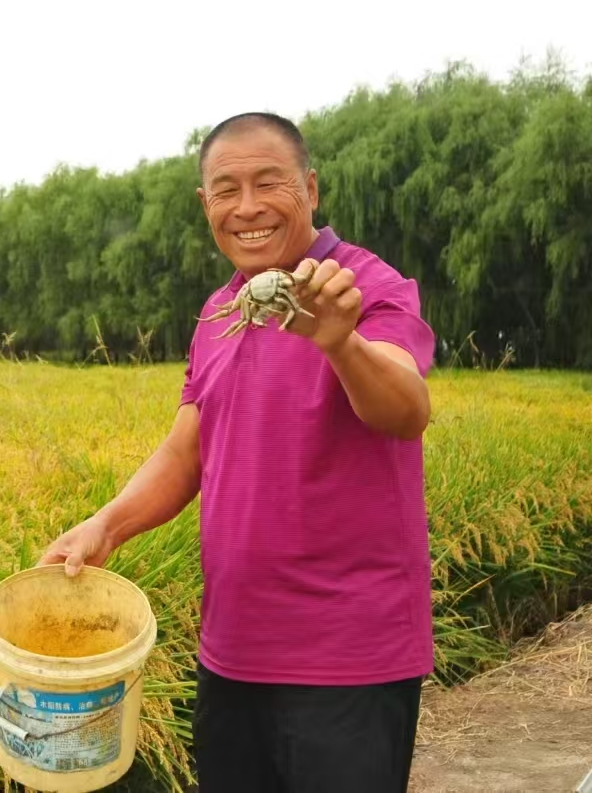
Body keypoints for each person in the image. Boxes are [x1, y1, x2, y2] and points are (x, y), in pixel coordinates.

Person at [38, 112, 436, 792]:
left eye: (268, 183)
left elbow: (404, 411)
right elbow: (188, 449)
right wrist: (106, 525)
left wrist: (339, 342)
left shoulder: (365, 285)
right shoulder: (221, 310)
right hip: (231, 654)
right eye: (227, 190)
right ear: (206, 204)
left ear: (311, 188)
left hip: (348, 659)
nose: (247, 207)